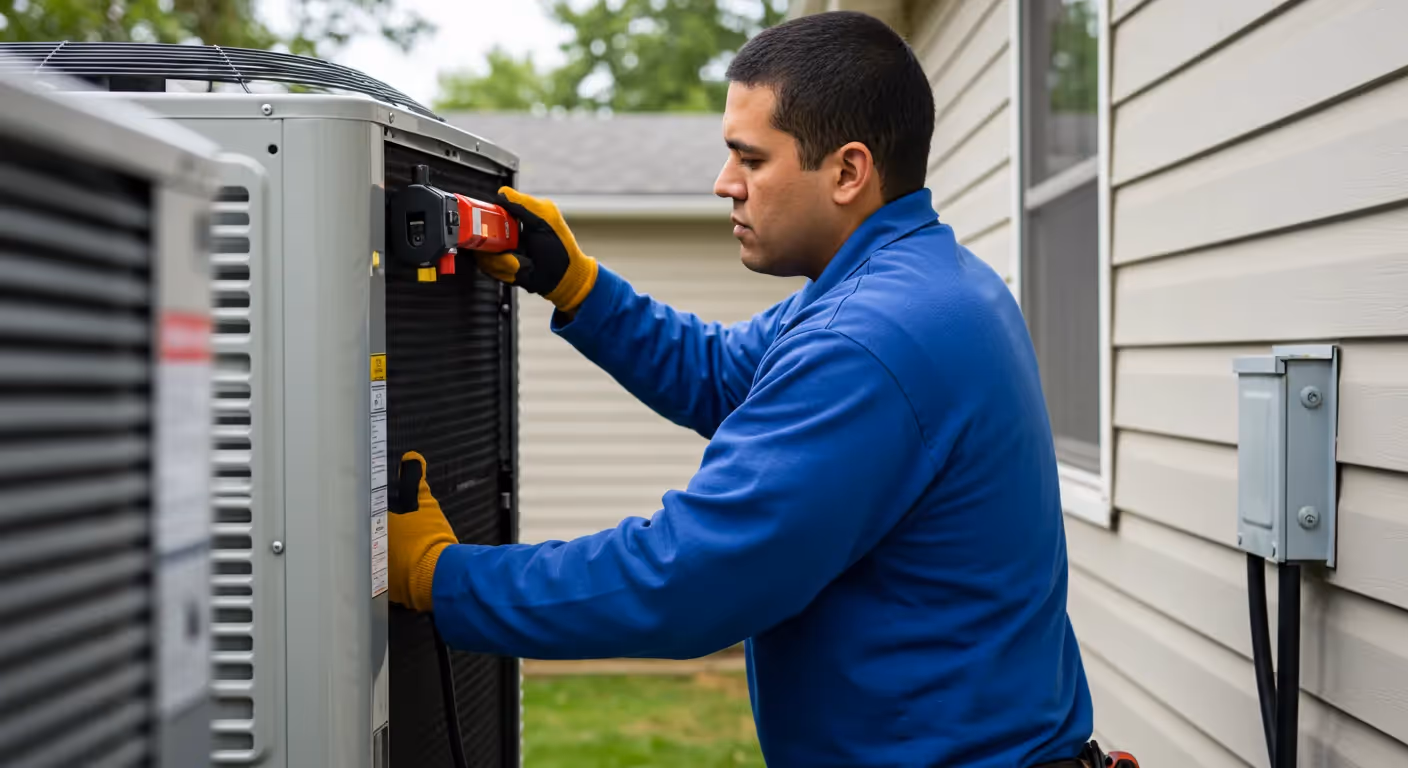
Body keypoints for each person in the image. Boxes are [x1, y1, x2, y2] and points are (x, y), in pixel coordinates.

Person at [388, 10, 1094, 767]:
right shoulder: (914, 281)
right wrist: (577, 286)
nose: (725, 184)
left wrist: (443, 576)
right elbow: (722, 374)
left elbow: (687, 580)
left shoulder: (868, 339)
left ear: (848, 172)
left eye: (749, 159)